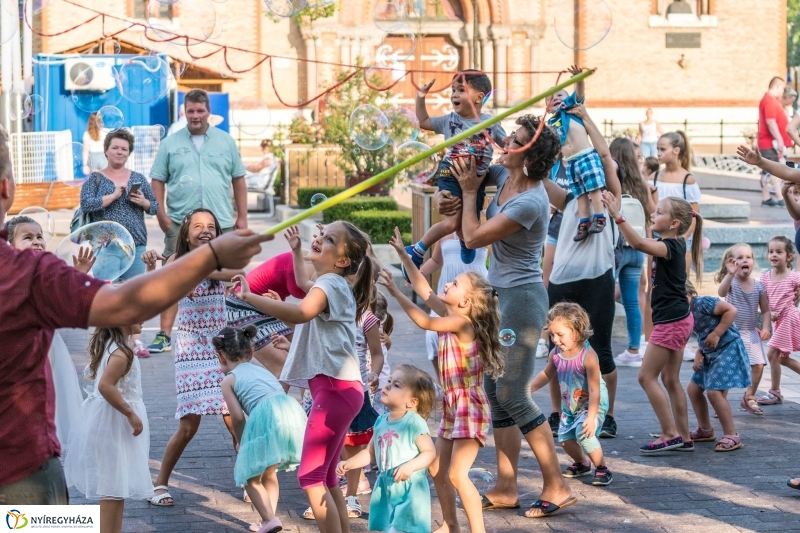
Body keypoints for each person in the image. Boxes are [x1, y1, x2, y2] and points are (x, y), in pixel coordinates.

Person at [0, 130, 269, 505]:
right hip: (18, 471)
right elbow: (125, 307)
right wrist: (212, 256)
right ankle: (159, 484)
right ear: (6, 189)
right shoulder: (25, 272)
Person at [442, 114, 575, 517]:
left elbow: (472, 237)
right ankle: (505, 485)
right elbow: (481, 148)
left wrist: (467, 195)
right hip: (500, 298)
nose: (505, 142)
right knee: (495, 394)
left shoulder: (530, 200)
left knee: (513, 393)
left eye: (514, 139)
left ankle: (557, 483)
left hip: (521, 300)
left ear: (527, 156)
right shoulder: (505, 176)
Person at [233, 221, 374, 533]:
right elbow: (302, 283)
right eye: (322, 235)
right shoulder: (331, 283)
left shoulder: (329, 286)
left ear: (342, 260)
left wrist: (249, 297)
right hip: (341, 390)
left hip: (335, 391)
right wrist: (298, 250)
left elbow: (300, 312)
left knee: (309, 477)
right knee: (324, 477)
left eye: (330, 239)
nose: (320, 238)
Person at [380, 226, 504, 533]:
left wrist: (396, 292)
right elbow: (425, 291)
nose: (447, 282)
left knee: (458, 475)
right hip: (453, 403)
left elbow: (424, 319)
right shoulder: (454, 316)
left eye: (455, 283)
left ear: (466, 303)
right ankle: (451, 524)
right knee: (437, 470)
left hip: (468, 405)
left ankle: (478, 531)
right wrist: (403, 256)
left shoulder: (462, 322)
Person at [149, 209, 247, 507]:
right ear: (185, 233)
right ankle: (160, 484)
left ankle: (249, 480)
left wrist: (201, 268)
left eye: (211, 226)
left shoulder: (224, 260)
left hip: (222, 349)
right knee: (189, 424)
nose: (205, 230)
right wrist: (154, 269)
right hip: (191, 349)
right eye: (198, 226)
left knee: (236, 420)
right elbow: (155, 295)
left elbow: (237, 276)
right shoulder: (175, 262)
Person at [540, 106, 621, 440]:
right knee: (556, 351)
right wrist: (542, 133)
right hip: (562, 283)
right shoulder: (572, 198)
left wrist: (585, 116)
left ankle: (608, 415)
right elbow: (543, 179)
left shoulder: (610, 195)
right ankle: (559, 412)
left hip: (597, 279)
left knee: (600, 349)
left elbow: (602, 153)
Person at [148, 88, 248, 354]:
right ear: (184, 112)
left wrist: (242, 217)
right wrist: (162, 217)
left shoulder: (226, 141)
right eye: (190, 111)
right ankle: (164, 335)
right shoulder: (170, 143)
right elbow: (157, 179)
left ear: (208, 112)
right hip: (181, 224)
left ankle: (229, 330)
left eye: (200, 111)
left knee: (227, 277)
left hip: (221, 223)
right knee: (173, 276)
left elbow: (238, 178)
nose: (195, 116)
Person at [601, 192, 703, 453]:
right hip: (678, 319)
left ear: (674, 223)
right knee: (670, 379)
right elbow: (642, 241)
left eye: (659, 212)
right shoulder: (671, 243)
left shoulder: (670, 246)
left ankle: (670, 434)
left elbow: (636, 243)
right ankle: (683, 435)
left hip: (672, 322)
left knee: (646, 377)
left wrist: (617, 215)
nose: (653, 215)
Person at [5, 216, 92, 452]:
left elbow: (67, 305)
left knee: (50, 406)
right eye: (28, 237)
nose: (37, 241)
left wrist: (80, 274)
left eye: (40, 236)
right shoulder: (10, 278)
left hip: (51, 352)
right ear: (10, 246)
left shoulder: (46, 273)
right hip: (24, 355)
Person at [405, 69, 506, 270]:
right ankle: (417, 249)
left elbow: (506, 145)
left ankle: (462, 240)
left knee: (470, 220)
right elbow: (424, 121)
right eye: (453, 90)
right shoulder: (449, 120)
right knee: (451, 223)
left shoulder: (490, 123)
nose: (454, 95)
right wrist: (420, 97)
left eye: (461, 90)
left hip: (476, 179)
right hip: (450, 173)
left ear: (479, 98)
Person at [214, 325, 307, 533]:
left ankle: (269, 519)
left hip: (265, 415)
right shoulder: (260, 370)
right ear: (251, 352)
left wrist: (242, 440)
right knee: (269, 472)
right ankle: (269, 519)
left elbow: (237, 417)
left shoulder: (229, 380)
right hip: (289, 411)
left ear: (221, 356)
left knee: (248, 476)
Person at [64, 323, 153, 533]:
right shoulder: (121, 352)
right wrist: (130, 412)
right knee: (111, 487)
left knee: (115, 488)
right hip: (113, 423)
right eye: (137, 314)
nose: (143, 319)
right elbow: (105, 385)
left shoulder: (117, 345)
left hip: (112, 422)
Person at [336, 365, 437, 533]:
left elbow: (429, 452)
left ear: (412, 402)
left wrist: (410, 466)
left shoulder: (413, 422)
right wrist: (350, 463)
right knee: (390, 526)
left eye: (396, 385)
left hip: (409, 488)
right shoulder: (381, 421)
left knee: (402, 529)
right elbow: (370, 452)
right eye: (389, 381)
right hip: (387, 486)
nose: (388, 385)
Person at [529, 303, 612, 486]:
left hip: (592, 402)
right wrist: (529, 389)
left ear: (576, 331)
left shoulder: (588, 356)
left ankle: (602, 468)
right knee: (565, 440)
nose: (555, 339)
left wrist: (591, 417)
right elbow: (546, 374)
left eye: (560, 334)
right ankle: (582, 463)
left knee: (585, 435)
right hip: (571, 405)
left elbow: (594, 389)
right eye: (551, 334)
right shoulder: (556, 354)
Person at [685, 281, 750, 452]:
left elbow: (731, 310)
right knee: (693, 388)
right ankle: (705, 430)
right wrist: (699, 352)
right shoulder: (685, 313)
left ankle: (732, 435)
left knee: (714, 391)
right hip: (709, 352)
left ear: (690, 292)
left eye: (680, 296)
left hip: (728, 347)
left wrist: (717, 333)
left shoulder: (703, 303)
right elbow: (702, 334)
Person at [546, 65, 607, 241]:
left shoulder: (572, 110)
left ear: (568, 99)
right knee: (579, 193)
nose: (555, 98)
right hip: (571, 161)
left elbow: (579, 92)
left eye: (559, 94)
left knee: (593, 189)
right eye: (550, 99)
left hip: (585, 155)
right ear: (548, 109)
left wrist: (578, 78)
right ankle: (584, 221)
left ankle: (599, 216)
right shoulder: (552, 122)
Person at [419, 233, 488, 383]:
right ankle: (444, 380)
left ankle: (472, 378)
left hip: (473, 291)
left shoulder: (481, 229)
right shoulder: (444, 234)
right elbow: (436, 260)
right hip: (450, 292)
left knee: (476, 338)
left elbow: (425, 321)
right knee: (432, 336)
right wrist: (419, 272)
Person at [610, 137, 655, 368]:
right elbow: (650, 218)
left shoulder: (611, 181)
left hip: (616, 247)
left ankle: (603, 348)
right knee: (631, 302)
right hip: (637, 248)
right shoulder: (641, 185)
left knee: (606, 299)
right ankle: (634, 349)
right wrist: (647, 253)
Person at [226, 250, 306, 378]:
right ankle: (274, 398)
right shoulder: (306, 267)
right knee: (284, 367)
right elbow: (306, 312)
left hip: (270, 306)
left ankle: (308, 399)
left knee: (303, 357)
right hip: (242, 305)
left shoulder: (321, 269)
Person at [715, 244, 770, 415]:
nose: (744, 260)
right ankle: (721, 402)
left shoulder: (759, 286)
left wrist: (766, 327)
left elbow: (766, 310)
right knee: (727, 367)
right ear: (730, 263)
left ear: (753, 261)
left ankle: (749, 396)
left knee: (759, 364)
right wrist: (730, 274)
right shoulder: (731, 282)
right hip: (731, 332)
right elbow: (721, 292)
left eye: (748, 257)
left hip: (750, 332)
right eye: (739, 258)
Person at [755, 236, 800, 406]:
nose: (774, 255)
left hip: (789, 318)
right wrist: (766, 312)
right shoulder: (765, 278)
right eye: (771, 251)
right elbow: (762, 300)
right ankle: (775, 392)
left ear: (789, 257)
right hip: (777, 321)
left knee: (772, 353)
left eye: (779, 252)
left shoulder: (794, 277)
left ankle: (775, 392)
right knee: (781, 358)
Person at [757, 77, 791, 207]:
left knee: (766, 170)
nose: (783, 91)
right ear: (777, 86)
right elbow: (770, 122)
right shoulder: (770, 100)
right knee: (774, 170)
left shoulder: (771, 100)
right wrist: (780, 139)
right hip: (769, 143)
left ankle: (766, 198)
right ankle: (780, 198)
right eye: (782, 88)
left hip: (768, 142)